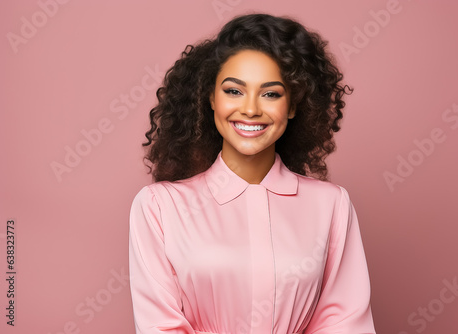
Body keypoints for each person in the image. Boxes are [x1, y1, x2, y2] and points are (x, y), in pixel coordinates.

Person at [128, 12, 376, 334]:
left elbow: (344, 325)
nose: (250, 109)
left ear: (293, 105)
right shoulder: (159, 207)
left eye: (271, 93)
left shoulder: (331, 206)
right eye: (233, 91)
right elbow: (159, 327)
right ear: (211, 98)